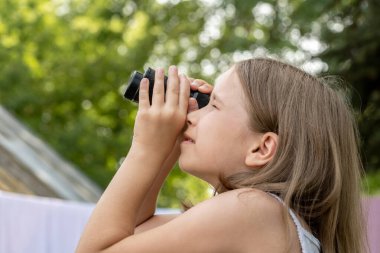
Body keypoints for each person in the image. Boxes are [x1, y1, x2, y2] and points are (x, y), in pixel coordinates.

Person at [76, 58, 367, 253]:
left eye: (213, 106)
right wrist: (168, 144)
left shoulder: (253, 210)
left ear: (261, 148)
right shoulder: (267, 218)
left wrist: (146, 148)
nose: (192, 115)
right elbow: (131, 233)